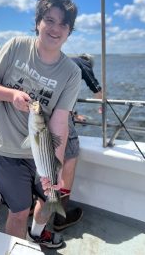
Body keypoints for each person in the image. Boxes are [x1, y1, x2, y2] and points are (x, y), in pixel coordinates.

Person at [0, 0, 81, 249]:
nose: (55, 29)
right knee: (18, 211)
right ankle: (17, 249)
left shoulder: (71, 72)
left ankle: (37, 233)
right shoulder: (16, 46)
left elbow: (59, 122)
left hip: (41, 151)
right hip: (6, 149)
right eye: (49, 20)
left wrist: (55, 167)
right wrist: (12, 94)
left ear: (69, 31)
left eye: (63, 24)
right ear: (37, 23)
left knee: (49, 199)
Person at [52, 53, 102, 232]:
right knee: (69, 161)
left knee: (45, 162)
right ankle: (61, 216)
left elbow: (60, 94)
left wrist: (74, 115)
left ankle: (36, 207)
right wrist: (102, 103)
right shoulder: (82, 63)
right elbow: (95, 87)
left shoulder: (63, 63)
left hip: (44, 115)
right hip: (60, 119)